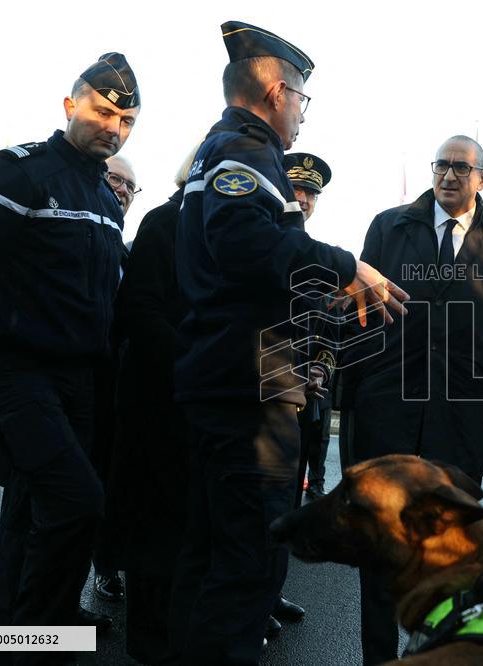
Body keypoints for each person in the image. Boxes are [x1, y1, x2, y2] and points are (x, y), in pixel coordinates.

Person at [169, 22, 407, 665]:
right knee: (249, 565)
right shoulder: (246, 148)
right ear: (278, 92)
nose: (303, 114)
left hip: (233, 378)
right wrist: (345, 264)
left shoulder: (227, 148)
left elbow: (245, 271)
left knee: (211, 559)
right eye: (303, 99)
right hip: (247, 388)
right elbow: (241, 240)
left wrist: (314, 293)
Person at [0, 52, 140, 662]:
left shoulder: (104, 199)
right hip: (15, 369)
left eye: (126, 120)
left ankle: (3, 646)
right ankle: (36, 643)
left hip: (75, 380)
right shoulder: (17, 173)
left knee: (27, 516)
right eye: (103, 111)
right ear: (70, 104)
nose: (113, 126)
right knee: (78, 502)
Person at [347, 135, 483, 664]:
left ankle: (437, 653)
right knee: (383, 539)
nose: (448, 175)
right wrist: (356, 392)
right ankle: (380, 656)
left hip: (462, 412)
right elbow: (362, 314)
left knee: (451, 543)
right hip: (390, 409)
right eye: (441, 166)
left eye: (460, 167)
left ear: (482, 178)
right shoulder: (389, 227)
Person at [108, 144, 194, 664]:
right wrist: (197, 365)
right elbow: (140, 310)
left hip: (209, 406)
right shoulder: (166, 222)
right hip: (160, 401)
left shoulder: (240, 231)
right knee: (153, 529)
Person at [87, 153, 141, 605]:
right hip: (75, 389)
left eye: (129, 186)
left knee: (109, 485)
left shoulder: (125, 250)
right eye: (115, 180)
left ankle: (102, 571)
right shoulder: (81, 235)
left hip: (117, 391)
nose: (122, 190)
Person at [284, 151, 334, 502]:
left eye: (310, 192)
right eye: (294, 187)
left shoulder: (320, 262)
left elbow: (330, 338)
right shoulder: (251, 243)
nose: (302, 198)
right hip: (257, 397)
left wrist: (320, 369)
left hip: (303, 400)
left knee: (287, 504)